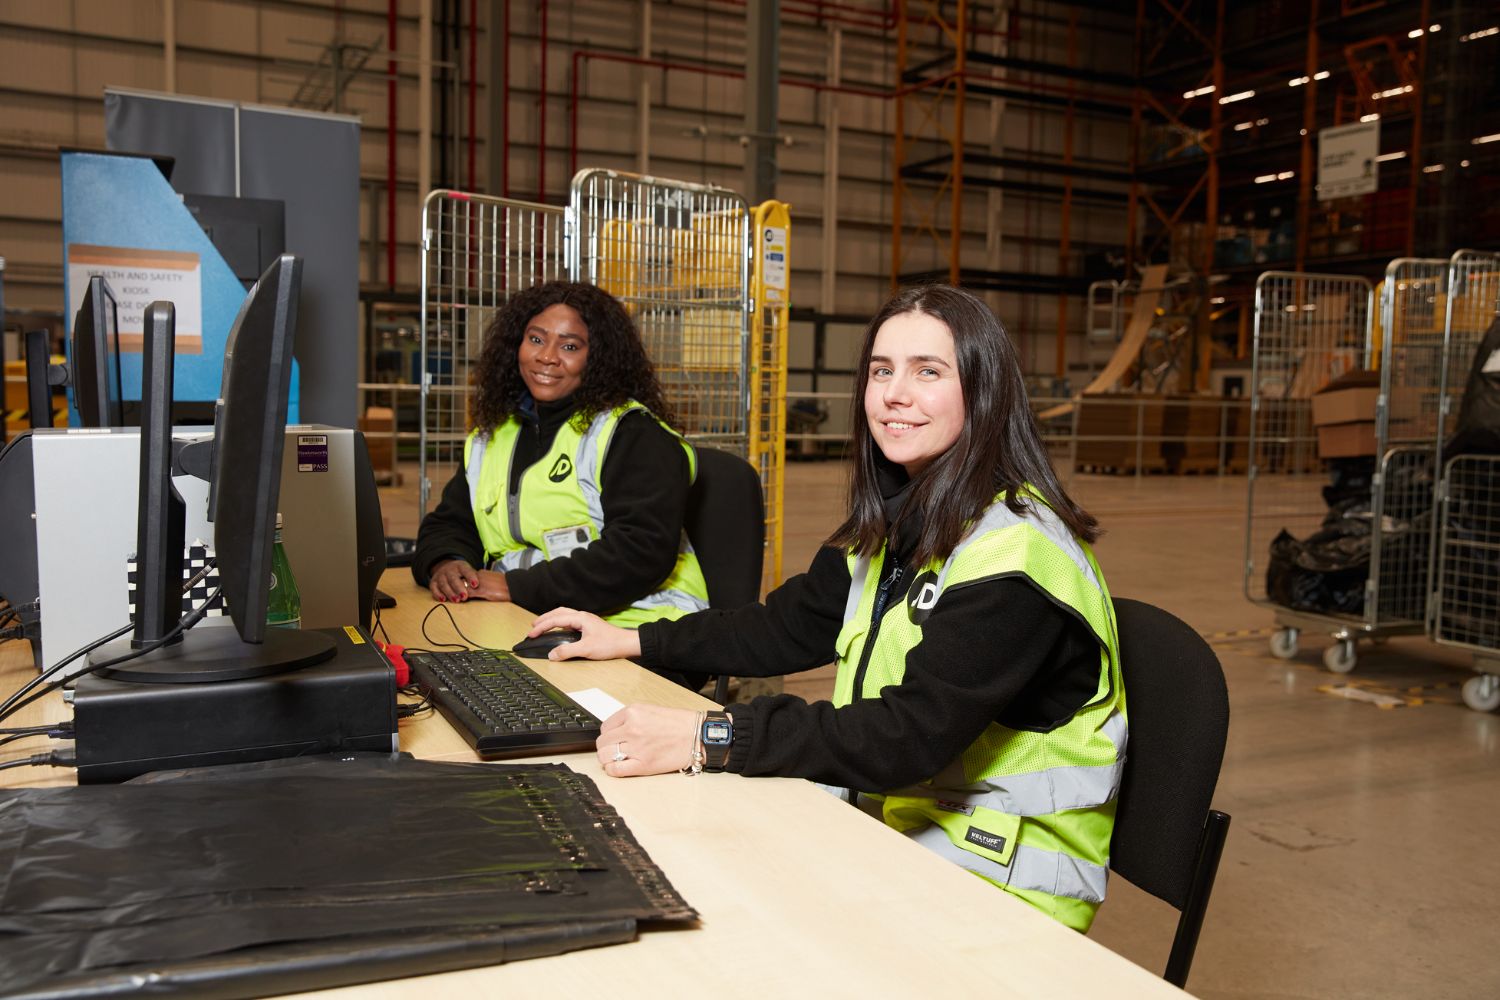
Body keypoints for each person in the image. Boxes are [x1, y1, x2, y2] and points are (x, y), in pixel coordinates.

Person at [527, 284, 1126, 932]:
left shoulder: (1018, 555)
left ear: (982, 392)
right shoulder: (900, 525)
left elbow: (907, 735)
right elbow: (782, 629)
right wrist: (632, 641)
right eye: (881, 370)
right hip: (893, 836)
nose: (895, 393)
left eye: (928, 371)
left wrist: (709, 735)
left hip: (1005, 895)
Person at [412, 280, 710, 632]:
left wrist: (515, 587)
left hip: (642, 627)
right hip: (535, 619)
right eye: (536, 339)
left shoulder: (633, 434)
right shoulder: (492, 437)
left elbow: (638, 553)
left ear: (597, 357)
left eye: (569, 346)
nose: (547, 356)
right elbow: (452, 522)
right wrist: (448, 562)